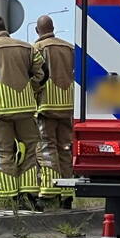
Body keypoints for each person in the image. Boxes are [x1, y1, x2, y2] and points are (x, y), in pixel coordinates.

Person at [0, 15, 46, 210]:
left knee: (2, 152)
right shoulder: (27, 48)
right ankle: (29, 194)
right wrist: (32, 89)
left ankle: (10, 198)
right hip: (25, 108)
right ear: (6, 28)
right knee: (30, 149)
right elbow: (42, 74)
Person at [33, 15, 75, 209]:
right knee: (65, 149)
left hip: (46, 107)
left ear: (37, 31)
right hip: (67, 106)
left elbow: (34, 78)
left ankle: (49, 192)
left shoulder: (37, 49)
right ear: (53, 28)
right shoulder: (69, 48)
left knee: (46, 148)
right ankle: (67, 194)